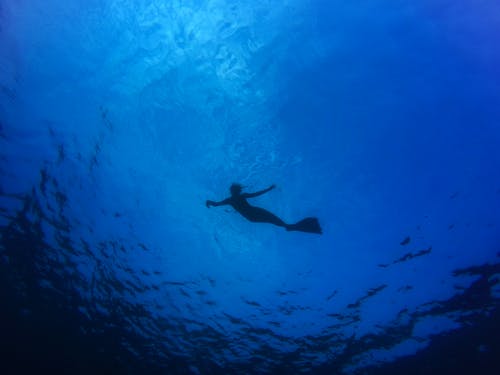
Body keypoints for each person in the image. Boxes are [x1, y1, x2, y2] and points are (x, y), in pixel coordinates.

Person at [206, 183, 322, 234]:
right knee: (274, 220)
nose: (236, 191)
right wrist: (209, 202)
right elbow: (216, 204)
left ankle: (292, 227)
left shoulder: (233, 199)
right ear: (233, 191)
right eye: (235, 190)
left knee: (275, 220)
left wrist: (269, 189)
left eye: (236, 190)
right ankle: (295, 227)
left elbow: (257, 194)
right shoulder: (232, 199)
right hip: (253, 214)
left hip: (252, 215)